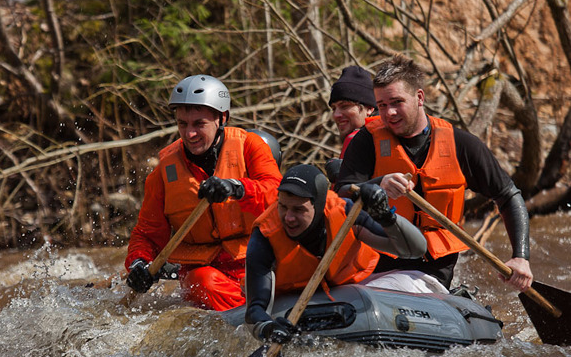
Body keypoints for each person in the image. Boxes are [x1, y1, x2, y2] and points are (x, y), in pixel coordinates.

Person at [335, 54, 534, 293]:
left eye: (397, 102)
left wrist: (520, 257)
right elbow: (341, 196)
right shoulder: (367, 140)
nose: (389, 113)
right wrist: (377, 185)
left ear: (419, 97)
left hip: (432, 269)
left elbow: (508, 195)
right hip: (376, 261)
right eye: (382, 105)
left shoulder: (461, 144)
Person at [124, 75, 282, 311]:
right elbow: (147, 234)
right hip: (204, 273)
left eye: (199, 124)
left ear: (222, 118)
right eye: (183, 124)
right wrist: (138, 262)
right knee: (202, 282)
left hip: (255, 260)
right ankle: (248, 314)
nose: (189, 134)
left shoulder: (250, 145)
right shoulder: (163, 173)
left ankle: (258, 307)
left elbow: (277, 195)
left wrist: (236, 188)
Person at [244, 164, 428, 343]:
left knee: (416, 279)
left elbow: (414, 250)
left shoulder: (345, 211)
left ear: (318, 205)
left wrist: (386, 217)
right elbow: (256, 309)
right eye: (283, 207)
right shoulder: (265, 235)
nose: (288, 217)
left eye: (298, 209)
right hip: (291, 301)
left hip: (351, 290)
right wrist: (268, 329)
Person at [325, 65, 377, 184]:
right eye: (333, 108)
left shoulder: (356, 138)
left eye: (345, 106)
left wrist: (344, 177)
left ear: (369, 108)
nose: (336, 115)